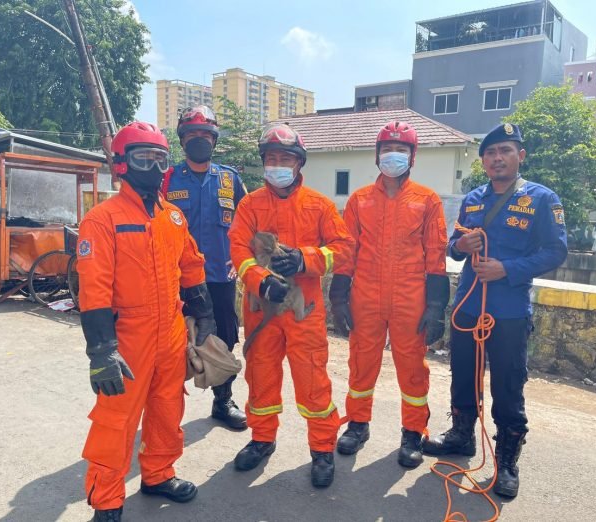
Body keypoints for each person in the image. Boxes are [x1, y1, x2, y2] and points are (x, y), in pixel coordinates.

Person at [77, 122, 217, 521]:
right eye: (144, 158)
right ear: (122, 164)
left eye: (160, 159)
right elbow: (94, 290)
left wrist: (204, 312)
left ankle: (158, 474)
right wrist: (101, 351)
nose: (154, 168)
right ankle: (107, 499)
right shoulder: (102, 220)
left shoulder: (173, 217)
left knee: (167, 409)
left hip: (170, 332)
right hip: (127, 338)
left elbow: (191, 266)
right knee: (116, 421)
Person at [422, 123, 568, 499]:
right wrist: (461, 246)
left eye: (505, 150)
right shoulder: (472, 199)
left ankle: (506, 460)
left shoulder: (542, 198)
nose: (497, 158)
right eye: (490, 152)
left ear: (520, 156)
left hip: (509, 311)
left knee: (507, 385)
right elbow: (452, 246)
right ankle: (461, 436)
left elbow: (556, 252)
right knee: (463, 376)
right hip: (469, 305)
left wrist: (508, 269)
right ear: (483, 160)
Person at [228, 122, 355, 488]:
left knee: (313, 382)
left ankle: (322, 449)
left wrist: (305, 259)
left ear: (299, 163)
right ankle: (262, 439)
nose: (278, 165)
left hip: (304, 310)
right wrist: (260, 279)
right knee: (261, 377)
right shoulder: (250, 204)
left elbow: (344, 248)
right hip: (262, 310)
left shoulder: (319, 205)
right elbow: (238, 249)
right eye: (271, 159)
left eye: (285, 158)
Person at [329, 121, 450, 469]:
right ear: (376, 155)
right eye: (387, 149)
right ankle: (358, 424)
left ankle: (413, 432)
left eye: (401, 150)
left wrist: (436, 306)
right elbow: (346, 252)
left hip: (410, 297)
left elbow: (436, 255)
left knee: (412, 369)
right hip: (365, 295)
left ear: (412, 156)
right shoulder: (359, 200)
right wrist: (339, 298)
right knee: (361, 363)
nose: (393, 155)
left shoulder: (427, 200)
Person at [161, 105, 247, 430]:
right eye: (192, 133)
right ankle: (166, 411)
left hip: (220, 278)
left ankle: (223, 401)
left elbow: (248, 220)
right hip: (177, 280)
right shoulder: (167, 179)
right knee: (172, 344)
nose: (199, 139)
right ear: (182, 139)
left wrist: (241, 257)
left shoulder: (230, 179)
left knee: (225, 338)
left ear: (214, 139)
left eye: (205, 134)